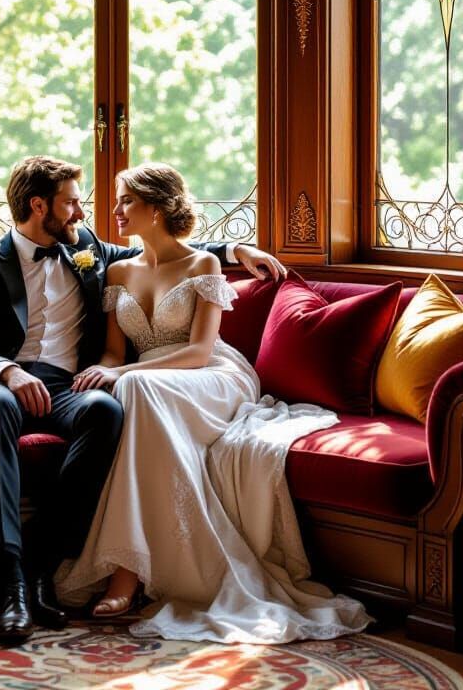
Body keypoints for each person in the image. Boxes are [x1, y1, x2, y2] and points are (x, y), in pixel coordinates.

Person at [0, 155, 285, 644]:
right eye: (71, 204)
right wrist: (8, 371)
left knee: (105, 410)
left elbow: (171, 252)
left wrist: (236, 248)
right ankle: (8, 585)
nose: (83, 215)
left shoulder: (86, 250)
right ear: (38, 204)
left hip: (66, 385)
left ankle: (41, 565)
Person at [56, 163, 370, 644]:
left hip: (210, 375)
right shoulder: (118, 270)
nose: (115, 210)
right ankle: (132, 563)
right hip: (150, 380)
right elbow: (115, 353)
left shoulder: (203, 265)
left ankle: (127, 572)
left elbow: (200, 351)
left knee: (135, 389)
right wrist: (105, 371)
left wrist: (121, 373)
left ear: (156, 209)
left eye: (126, 201)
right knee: (128, 391)